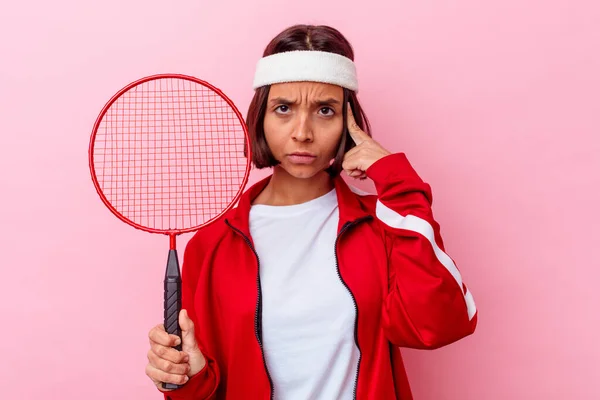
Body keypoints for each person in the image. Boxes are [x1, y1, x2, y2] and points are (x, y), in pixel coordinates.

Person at [145, 24, 478, 400]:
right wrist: (188, 378)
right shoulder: (213, 243)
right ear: (261, 117)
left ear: (347, 123)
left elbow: (438, 324)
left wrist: (397, 181)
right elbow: (204, 388)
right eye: (283, 108)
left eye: (324, 110)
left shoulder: (382, 225)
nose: (302, 132)